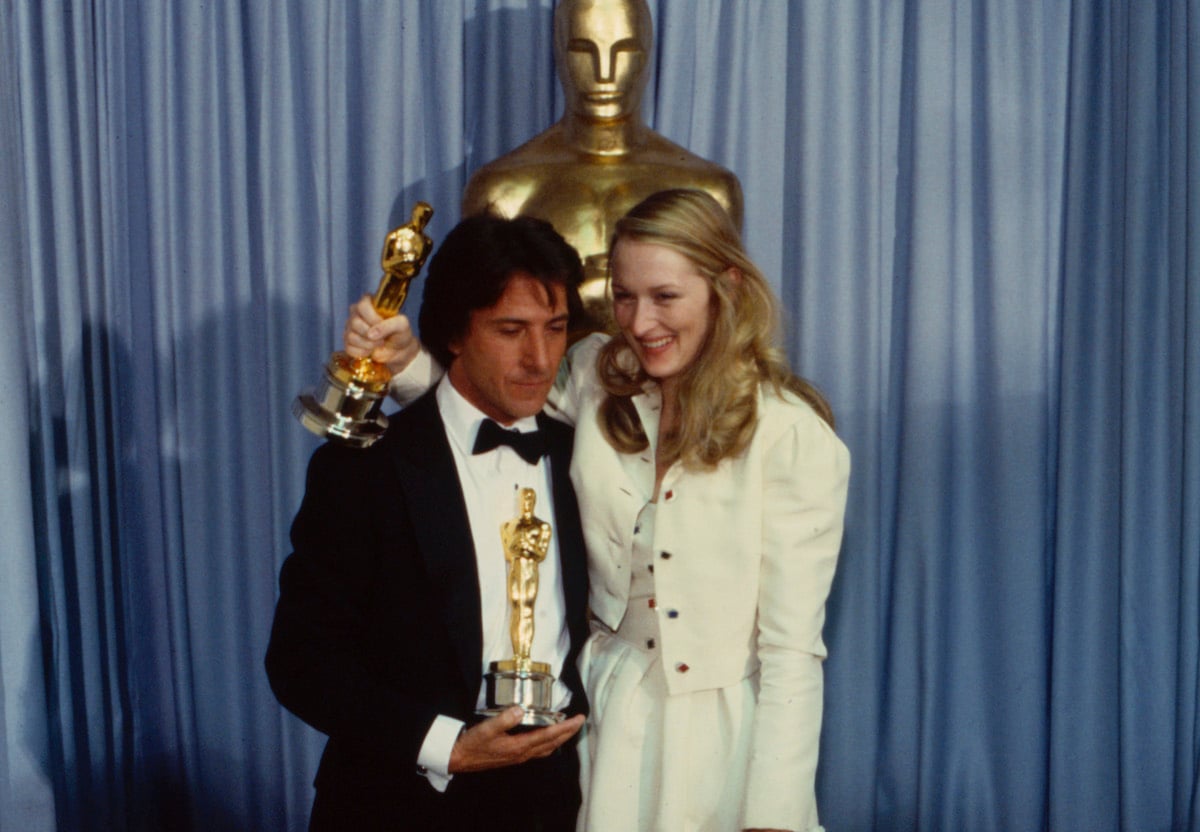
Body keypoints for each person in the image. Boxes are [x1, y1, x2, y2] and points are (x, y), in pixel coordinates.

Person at [345, 189, 850, 832]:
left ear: (725, 286)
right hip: (596, 720)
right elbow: (490, 423)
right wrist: (404, 359)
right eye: (624, 296)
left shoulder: (792, 437)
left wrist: (772, 817)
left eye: (665, 296)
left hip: (720, 740)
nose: (640, 323)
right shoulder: (594, 372)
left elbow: (791, 653)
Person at [266, 214, 591, 832]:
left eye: (555, 329)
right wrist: (449, 746)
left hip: (553, 803)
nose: (540, 358)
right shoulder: (365, 466)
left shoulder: (585, 457)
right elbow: (301, 661)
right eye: (510, 330)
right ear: (453, 334)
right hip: (396, 802)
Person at [463, 0, 743, 328]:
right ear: (559, 51)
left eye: (624, 51)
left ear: (648, 53)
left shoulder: (709, 189)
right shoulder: (501, 191)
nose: (605, 73)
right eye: (584, 51)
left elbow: (725, 326)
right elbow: (486, 331)